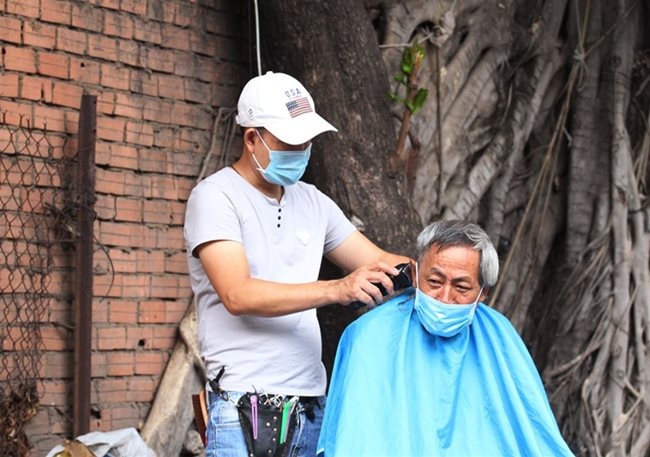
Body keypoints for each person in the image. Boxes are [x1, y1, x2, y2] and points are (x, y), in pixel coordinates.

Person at [183, 71, 411, 457]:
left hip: (310, 404)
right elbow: (238, 294)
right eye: (290, 142)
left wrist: (440, 274)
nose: (301, 148)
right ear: (252, 139)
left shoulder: (313, 201)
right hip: (242, 403)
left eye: (306, 140)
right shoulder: (215, 197)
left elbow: (379, 262)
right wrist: (336, 289)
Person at [317, 220, 575, 456]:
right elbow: (356, 439)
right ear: (416, 276)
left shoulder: (500, 336)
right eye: (435, 281)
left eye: (461, 287)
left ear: (483, 292)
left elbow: (533, 432)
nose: (445, 297)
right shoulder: (369, 335)